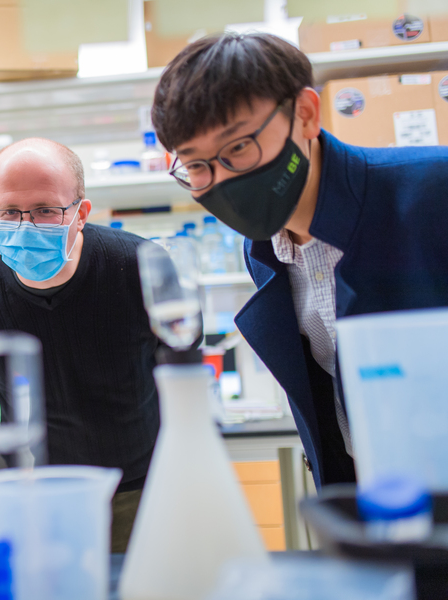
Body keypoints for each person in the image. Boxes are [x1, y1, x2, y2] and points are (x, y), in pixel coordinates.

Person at [150, 32, 448, 489]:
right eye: (195, 166)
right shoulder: (266, 251)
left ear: (305, 114)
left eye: (238, 148)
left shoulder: (431, 191)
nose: (221, 179)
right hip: (376, 499)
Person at [0, 137, 174, 553]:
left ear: (81, 213)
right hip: (35, 496)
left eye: (46, 210)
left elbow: (179, 366)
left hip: (141, 488)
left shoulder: (142, 270)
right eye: (9, 212)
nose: (26, 226)